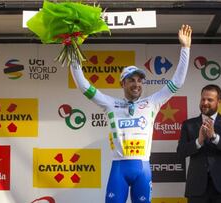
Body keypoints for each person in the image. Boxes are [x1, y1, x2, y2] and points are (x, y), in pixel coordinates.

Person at [70, 24, 192, 203]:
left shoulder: (152, 103)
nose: (137, 84)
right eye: (131, 80)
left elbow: (178, 82)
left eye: (140, 81)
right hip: (119, 168)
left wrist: (185, 48)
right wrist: (72, 50)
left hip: (142, 168)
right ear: (122, 84)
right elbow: (83, 85)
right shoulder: (110, 104)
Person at [177, 84, 221, 203]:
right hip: (197, 188)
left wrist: (214, 137)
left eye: (210, 100)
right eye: (203, 99)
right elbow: (180, 152)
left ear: (219, 101)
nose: (205, 102)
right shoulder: (188, 124)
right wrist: (198, 141)